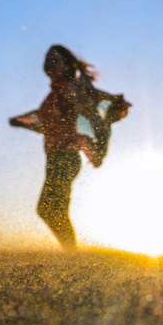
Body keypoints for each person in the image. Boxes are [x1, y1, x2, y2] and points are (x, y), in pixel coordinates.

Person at [22, 45, 130, 249]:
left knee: (50, 209)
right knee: (53, 209)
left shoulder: (69, 88)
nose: (49, 62)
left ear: (67, 65)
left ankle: (72, 255)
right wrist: (22, 121)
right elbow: (50, 124)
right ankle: (72, 254)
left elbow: (90, 114)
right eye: (47, 58)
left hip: (66, 156)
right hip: (55, 156)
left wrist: (96, 146)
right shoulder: (56, 92)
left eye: (55, 59)